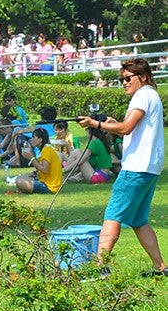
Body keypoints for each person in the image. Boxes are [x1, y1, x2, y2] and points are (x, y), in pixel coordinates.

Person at [78, 58, 166, 276]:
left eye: (128, 78)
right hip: (149, 169)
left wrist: (95, 124)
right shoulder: (152, 96)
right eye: (121, 79)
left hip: (136, 168)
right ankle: (161, 268)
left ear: (143, 77)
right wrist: (111, 123)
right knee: (138, 220)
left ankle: (100, 267)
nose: (124, 83)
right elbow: (131, 129)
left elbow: (126, 128)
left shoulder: (142, 95)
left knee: (113, 215)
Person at [14, 127, 62, 194]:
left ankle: (25, 189)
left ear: (40, 139)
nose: (31, 139)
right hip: (45, 182)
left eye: (33, 137)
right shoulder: (44, 150)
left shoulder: (46, 150)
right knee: (23, 176)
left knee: (19, 180)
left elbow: (44, 170)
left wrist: (31, 158)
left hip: (49, 187)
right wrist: (31, 152)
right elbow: (39, 167)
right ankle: (24, 189)